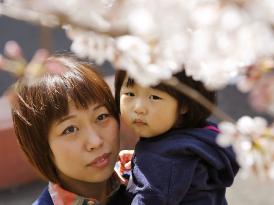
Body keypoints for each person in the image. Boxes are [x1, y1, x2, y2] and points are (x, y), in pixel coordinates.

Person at [11, 55, 130, 205]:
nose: (95, 141)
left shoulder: (147, 177)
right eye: (70, 129)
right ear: (39, 146)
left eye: (101, 117)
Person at [115, 69, 240, 205]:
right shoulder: (193, 139)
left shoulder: (165, 160)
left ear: (184, 105)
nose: (138, 108)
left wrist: (150, 161)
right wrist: (139, 159)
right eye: (130, 94)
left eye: (154, 97)